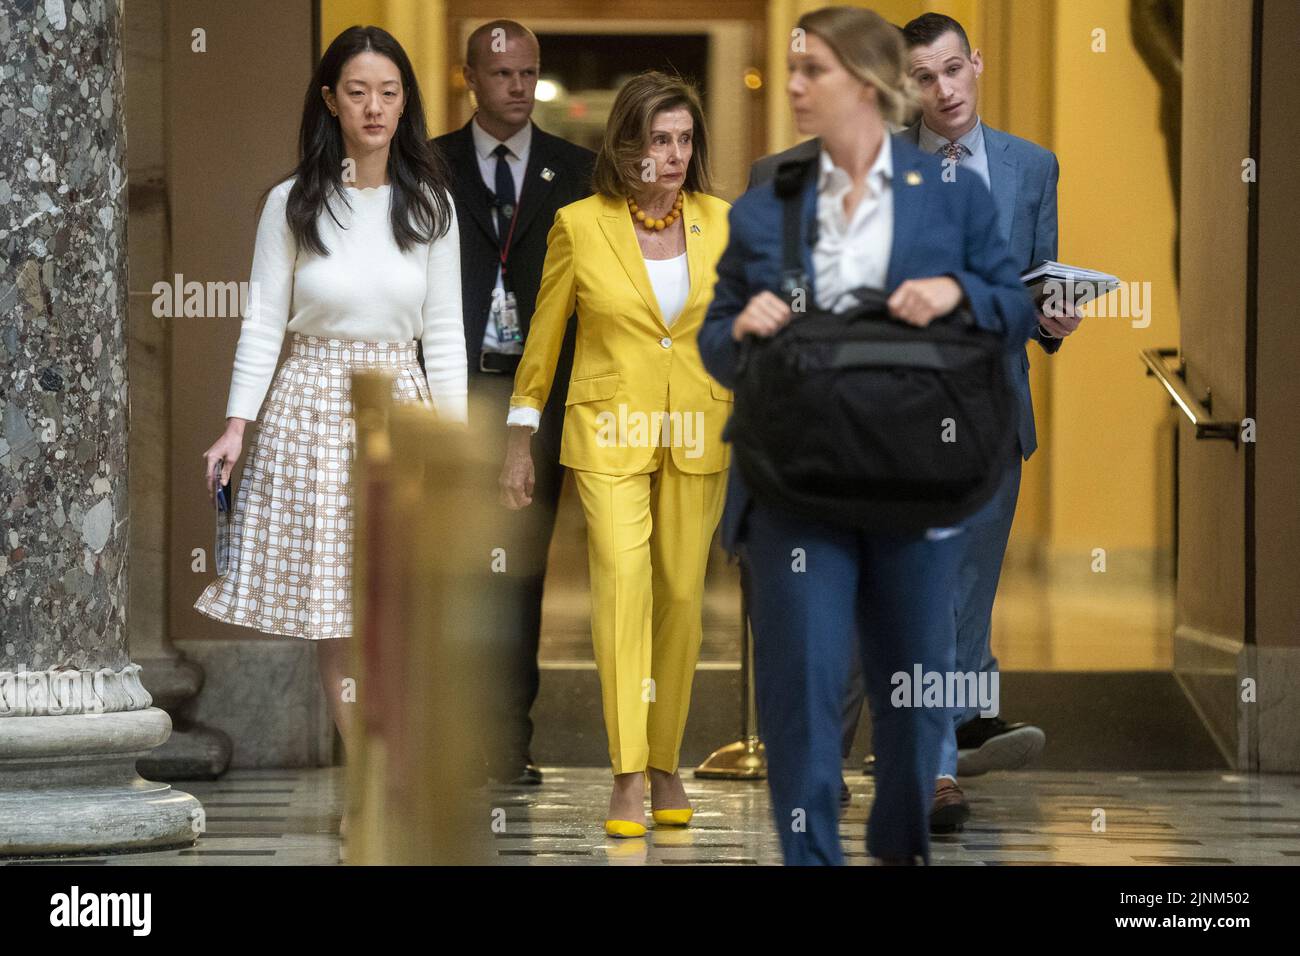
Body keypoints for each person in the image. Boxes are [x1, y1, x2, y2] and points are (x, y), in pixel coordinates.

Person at [697, 5, 1036, 864]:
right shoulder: (770, 192)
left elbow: (1012, 308)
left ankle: (900, 846)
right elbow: (715, 336)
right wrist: (742, 332)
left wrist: (959, 295)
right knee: (803, 700)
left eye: (814, 69)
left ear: (870, 82)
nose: (796, 85)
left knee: (918, 703)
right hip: (795, 488)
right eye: (795, 68)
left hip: (916, 484)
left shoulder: (951, 200)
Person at [195, 26, 467, 761]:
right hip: (311, 405)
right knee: (337, 612)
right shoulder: (292, 203)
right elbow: (261, 322)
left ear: (405, 101)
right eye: (357, 92)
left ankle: (401, 766)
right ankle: (372, 778)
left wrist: (453, 444)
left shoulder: (432, 207)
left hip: (403, 409)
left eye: (388, 92)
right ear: (330, 101)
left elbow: (443, 336)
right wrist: (235, 426)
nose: (374, 107)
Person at [500, 72, 733, 838]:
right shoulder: (580, 224)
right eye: (657, 140)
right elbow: (544, 336)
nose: (672, 155)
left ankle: (667, 762)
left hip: (699, 431)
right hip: (606, 433)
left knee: (682, 602)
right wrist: (520, 437)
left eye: (683, 140)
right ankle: (628, 774)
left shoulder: (723, 224)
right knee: (622, 588)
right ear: (625, 148)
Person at [433, 19, 595, 787]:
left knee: (520, 572)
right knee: (456, 570)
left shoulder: (579, 170)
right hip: (451, 390)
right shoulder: (428, 166)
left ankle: (508, 743)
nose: (520, 86)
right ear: (469, 77)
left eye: (529, 73)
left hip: (541, 396)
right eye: (502, 75)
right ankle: (448, 735)